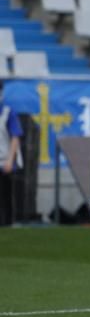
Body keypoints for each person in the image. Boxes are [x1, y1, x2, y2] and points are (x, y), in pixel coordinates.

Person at [0, 81, 23, 227]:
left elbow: (15, 137)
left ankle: (7, 225)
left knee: (5, 198)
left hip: (4, 162)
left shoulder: (8, 112)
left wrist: (10, 160)